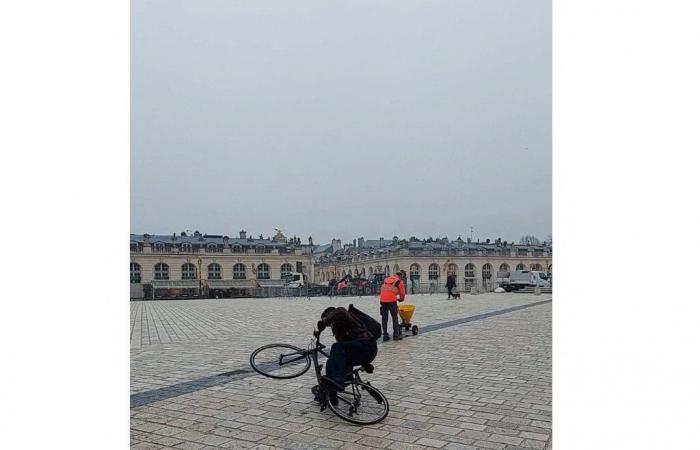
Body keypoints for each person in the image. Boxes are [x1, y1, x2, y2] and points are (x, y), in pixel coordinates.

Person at [315, 306, 378, 404]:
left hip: (367, 345)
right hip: (363, 352)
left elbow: (340, 312)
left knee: (336, 347)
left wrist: (324, 321)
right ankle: (332, 397)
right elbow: (348, 350)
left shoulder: (343, 314)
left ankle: (338, 380)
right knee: (330, 363)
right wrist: (364, 363)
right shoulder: (341, 331)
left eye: (331, 322)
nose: (331, 325)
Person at [379, 272, 406, 341]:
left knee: (384, 318)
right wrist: (401, 299)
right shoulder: (399, 281)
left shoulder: (386, 279)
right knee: (394, 317)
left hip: (382, 300)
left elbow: (383, 288)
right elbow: (402, 293)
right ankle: (396, 336)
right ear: (400, 276)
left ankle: (385, 335)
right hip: (391, 301)